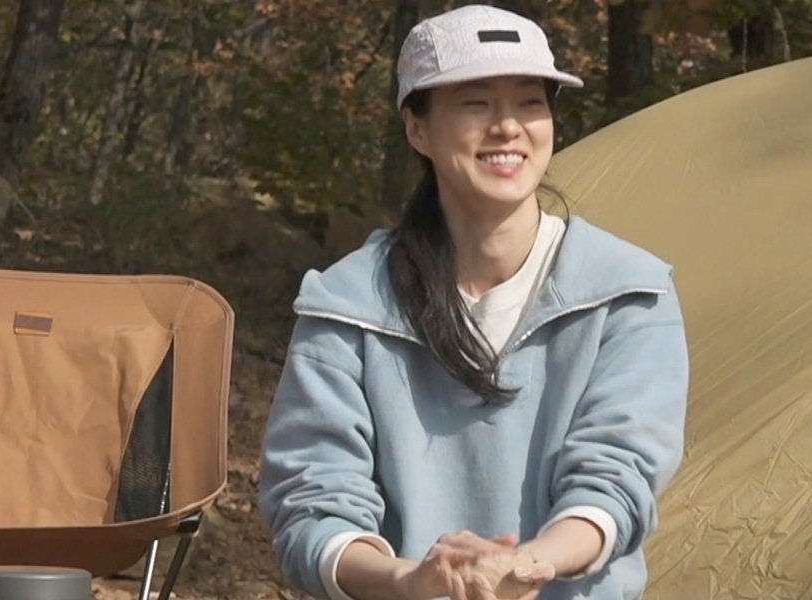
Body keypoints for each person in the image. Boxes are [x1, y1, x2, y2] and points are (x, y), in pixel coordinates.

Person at [259, 5, 689, 600]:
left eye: (530, 103)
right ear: (417, 128)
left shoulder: (628, 293)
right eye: (476, 103)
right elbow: (314, 501)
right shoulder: (348, 304)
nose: (508, 126)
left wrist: (531, 565)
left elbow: (617, 478)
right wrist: (412, 580)